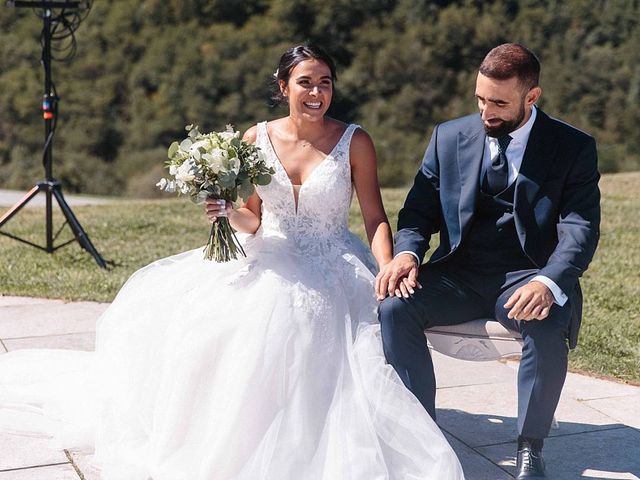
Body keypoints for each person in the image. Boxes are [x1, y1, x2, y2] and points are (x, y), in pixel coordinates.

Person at [0, 45, 464, 480]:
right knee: (239, 327)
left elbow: (374, 217)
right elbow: (255, 219)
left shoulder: (354, 141)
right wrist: (224, 209)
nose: (317, 92)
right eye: (305, 82)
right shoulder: (256, 138)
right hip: (272, 254)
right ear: (283, 86)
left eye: (325, 82)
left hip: (334, 258)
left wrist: (386, 265)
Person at [376, 43, 600, 479]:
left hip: (526, 275)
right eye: (480, 99)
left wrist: (549, 281)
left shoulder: (572, 146)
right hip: (459, 273)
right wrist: (406, 252)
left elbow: (580, 228)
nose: (485, 111)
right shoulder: (448, 136)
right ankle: (422, 438)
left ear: (531, 97)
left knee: (547, 317)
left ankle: (530, 448)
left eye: (498, 102)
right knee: (394, 307)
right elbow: (418, 212)